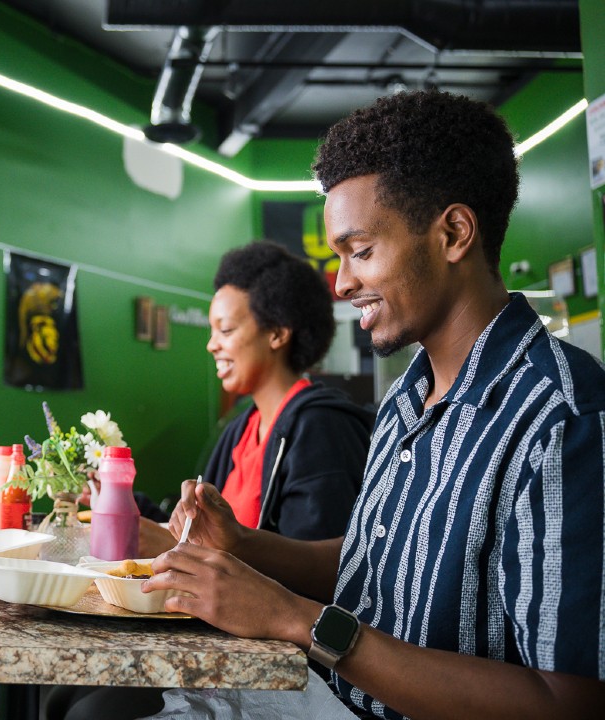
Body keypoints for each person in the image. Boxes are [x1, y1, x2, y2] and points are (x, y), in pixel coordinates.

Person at [147, 90, 605, 719]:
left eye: (360, 252)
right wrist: (245, 546)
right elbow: (379, 564)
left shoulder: (561, 418)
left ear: (453, 233)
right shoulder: (407, 396)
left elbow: (569, 703)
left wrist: (296, 618)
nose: (341, 283)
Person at [130, 242, 374, 558]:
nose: (211, 346)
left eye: (226, 330)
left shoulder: (320, 428)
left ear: (277, 333)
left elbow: (320, 573)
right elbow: (204, 539)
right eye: (212, 331)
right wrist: (124, 499)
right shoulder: (242, 428)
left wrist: (178, 551)